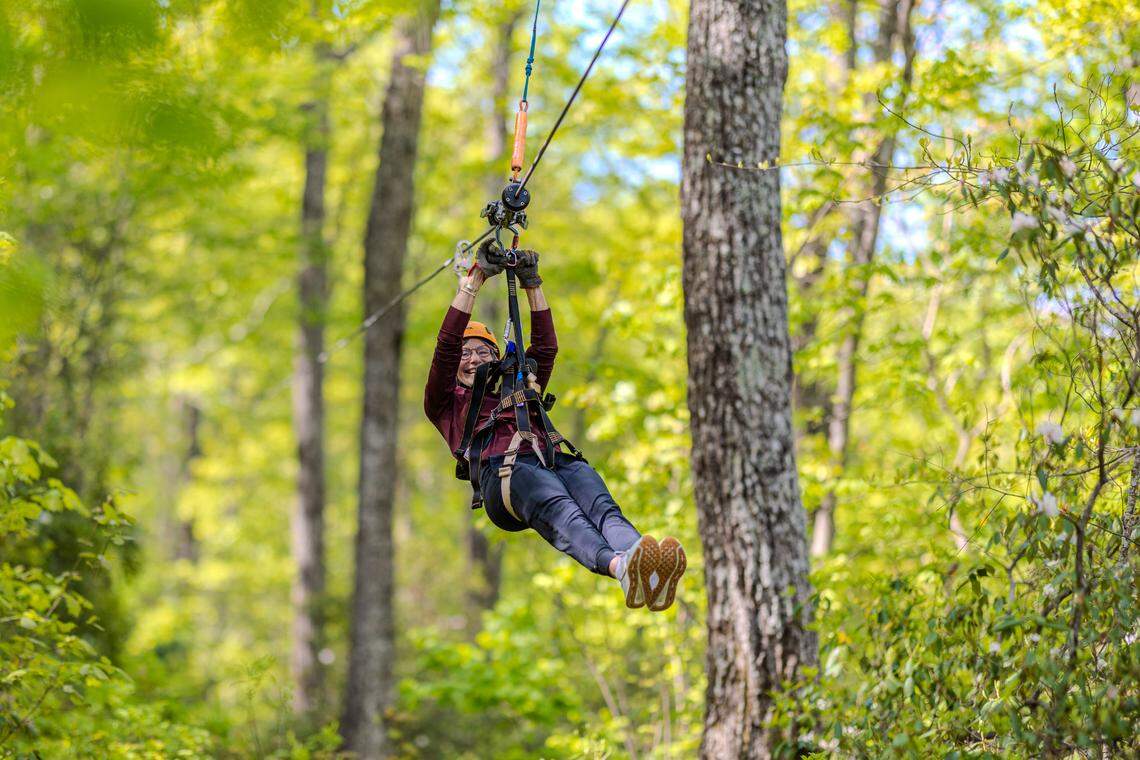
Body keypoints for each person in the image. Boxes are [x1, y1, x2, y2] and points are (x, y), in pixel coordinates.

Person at [423, 242, 686, 611]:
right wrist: (475, 280)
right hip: (505, 476)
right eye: (466, 353)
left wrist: (533, 285)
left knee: (598, 501)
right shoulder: (445, 402)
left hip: (550, 460)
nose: (473, 359)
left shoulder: (518, 387)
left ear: (496, 358)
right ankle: (619, 568)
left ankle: (643, 563)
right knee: (561, 507)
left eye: (483, 351)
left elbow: (545, 349)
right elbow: (446, 344)